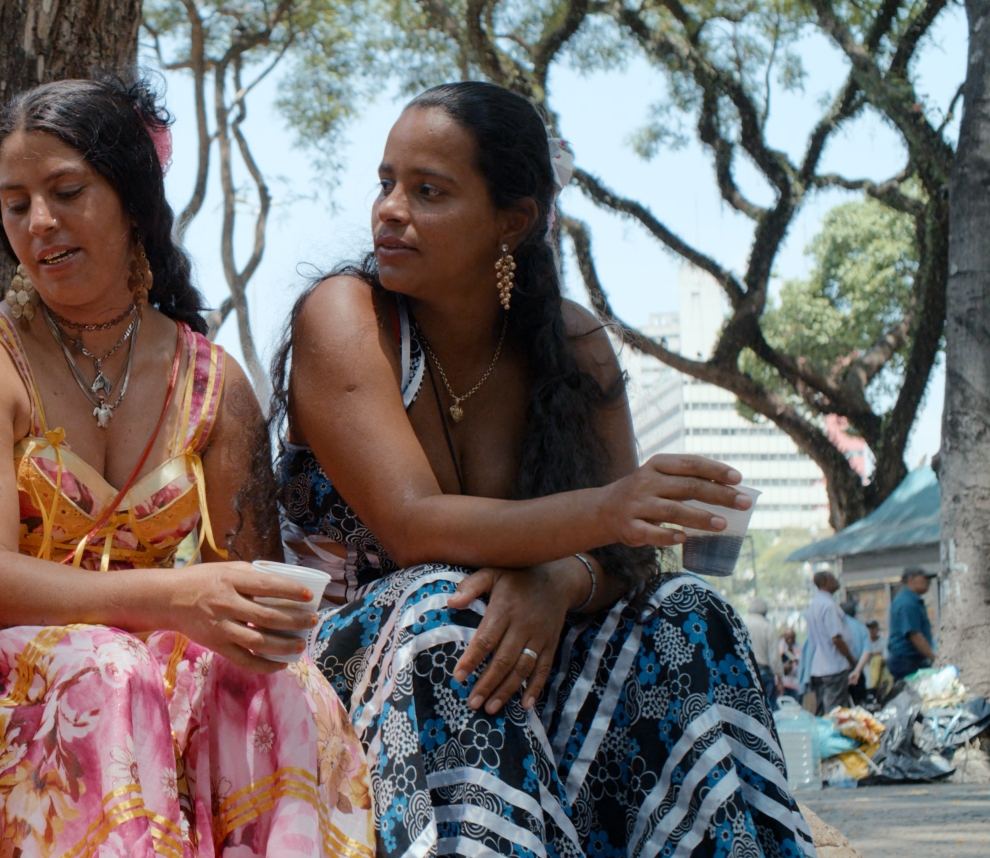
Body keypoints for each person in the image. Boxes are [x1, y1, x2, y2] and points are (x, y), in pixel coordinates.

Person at [272, 81, 809, 856]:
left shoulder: (572, 344)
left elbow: (627, 563)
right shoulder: (345, 315)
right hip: (368, 672)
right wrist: (606, 510)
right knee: (441, 608)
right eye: (386, 182)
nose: (390, 209)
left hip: (522, 661)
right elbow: (413, 523)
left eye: (429, 192)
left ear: (512, 222)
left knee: (689, 610)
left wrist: (559, 580)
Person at [0, 76, 372, 857]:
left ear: (133, 199)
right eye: (15, 202)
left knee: (280, 683)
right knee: (107, 669)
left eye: (66, 192)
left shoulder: (211, 381)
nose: (39, 223)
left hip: (155, 669)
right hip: (4, 678)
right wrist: (172, 599)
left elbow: (246, 587)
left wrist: (253, 615)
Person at [804, 571, 854, 715]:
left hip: (818, 667)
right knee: (836, 713)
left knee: (822, 711)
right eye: (832, 579)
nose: (836, 581)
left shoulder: (814, 605)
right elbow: (836, 638)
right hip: (833, 666)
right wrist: (851, 659)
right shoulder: (829, 605)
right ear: (825, 582)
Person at [886, 567, 936, 683]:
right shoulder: (907, 602)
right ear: (911, 578)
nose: (928, 581)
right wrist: (933, 657)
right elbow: (914, 634)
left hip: (909, 661)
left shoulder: (910, 599)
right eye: (924, 577)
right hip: (907, 662)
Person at [745, 598, 781, 701]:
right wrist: (779, 678)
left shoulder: (741, 623)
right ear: (765, 612)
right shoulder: (768, 627)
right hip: (764, 675)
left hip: (745, 673)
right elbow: (774, 658)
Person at [842, 598, 872, 705]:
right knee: (860, 707)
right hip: (857, 673)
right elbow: (867, 651)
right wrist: (857, 670)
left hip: (839, 673)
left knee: (840, 709)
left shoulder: (838, 626)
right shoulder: (861, 627)